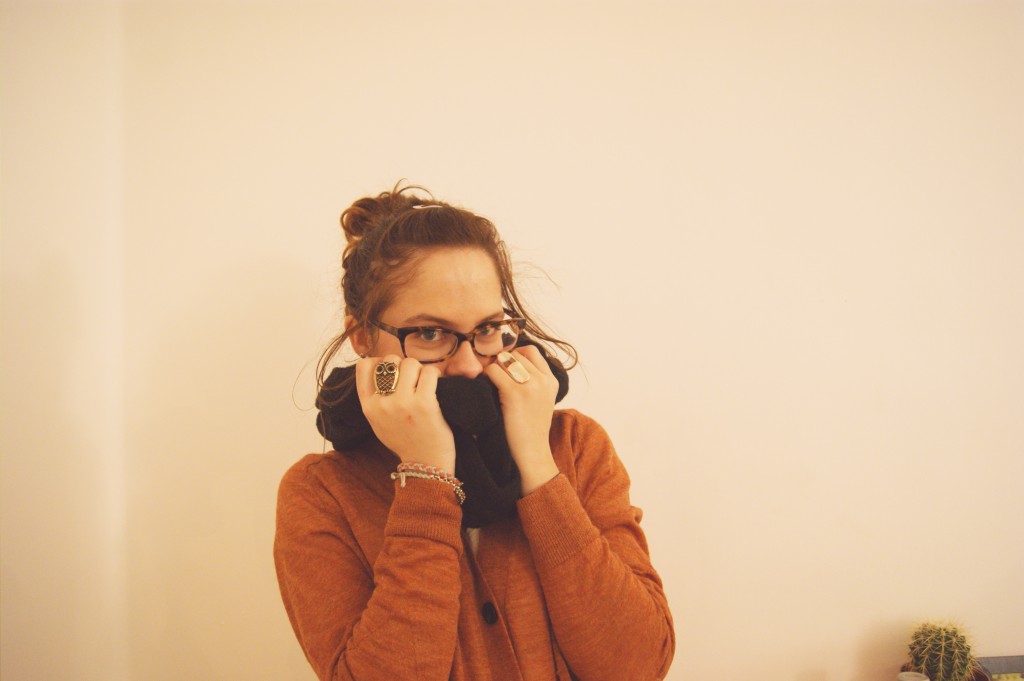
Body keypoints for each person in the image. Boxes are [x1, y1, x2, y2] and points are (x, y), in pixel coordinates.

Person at [274, 183, 675, 681]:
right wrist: (426, 476)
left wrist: (538, 464)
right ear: (362, 337)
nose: (467, 366)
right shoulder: (322, 492)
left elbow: (637, 666)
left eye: (486, 328)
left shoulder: (573, 445)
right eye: (429, 333)